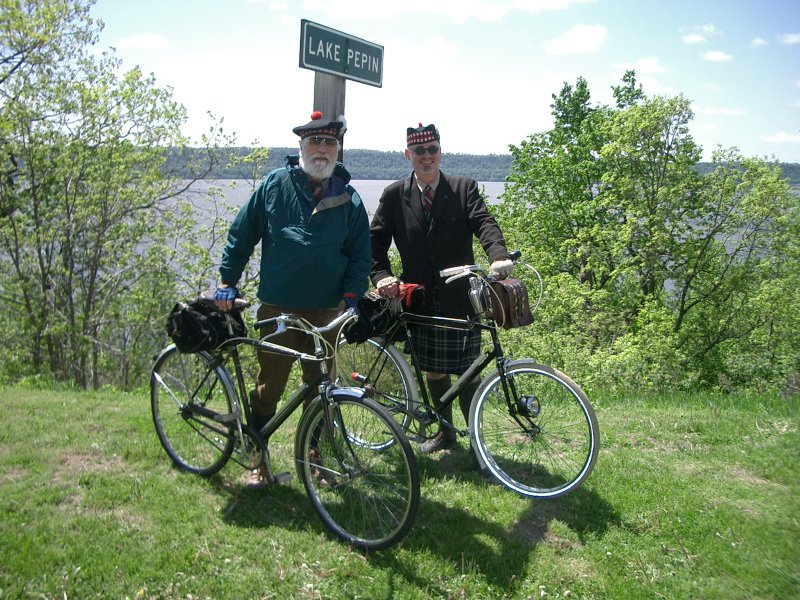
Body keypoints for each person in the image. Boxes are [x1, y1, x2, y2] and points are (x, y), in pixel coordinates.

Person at [214, 111, 371, 488]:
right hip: (278, 309)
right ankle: (257, 459)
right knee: (270, 387)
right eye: (314, 141)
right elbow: (242, 234)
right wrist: (227, 281)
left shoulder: (348, 198)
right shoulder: (275, 186)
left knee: (320, 387)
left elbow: (360, 254)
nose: (321, 149)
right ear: (301, 147)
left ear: (337, 150)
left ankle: (315, 459)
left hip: (326, 313)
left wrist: (351, 295)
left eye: (329, 142)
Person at [370, 123, 513, 456]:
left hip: (460, 296)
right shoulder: (394, 196)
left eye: (432, 149)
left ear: (440, 151)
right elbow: (373, 243)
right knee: (433, 369)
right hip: (419, 298)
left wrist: (498, 255)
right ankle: (445, 431)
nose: (427, 156)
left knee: (470, 371)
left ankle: (478, 442)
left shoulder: (463, 188)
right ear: (408, 155)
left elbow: (484, 223)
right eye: (419, 151)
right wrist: (380, 276)